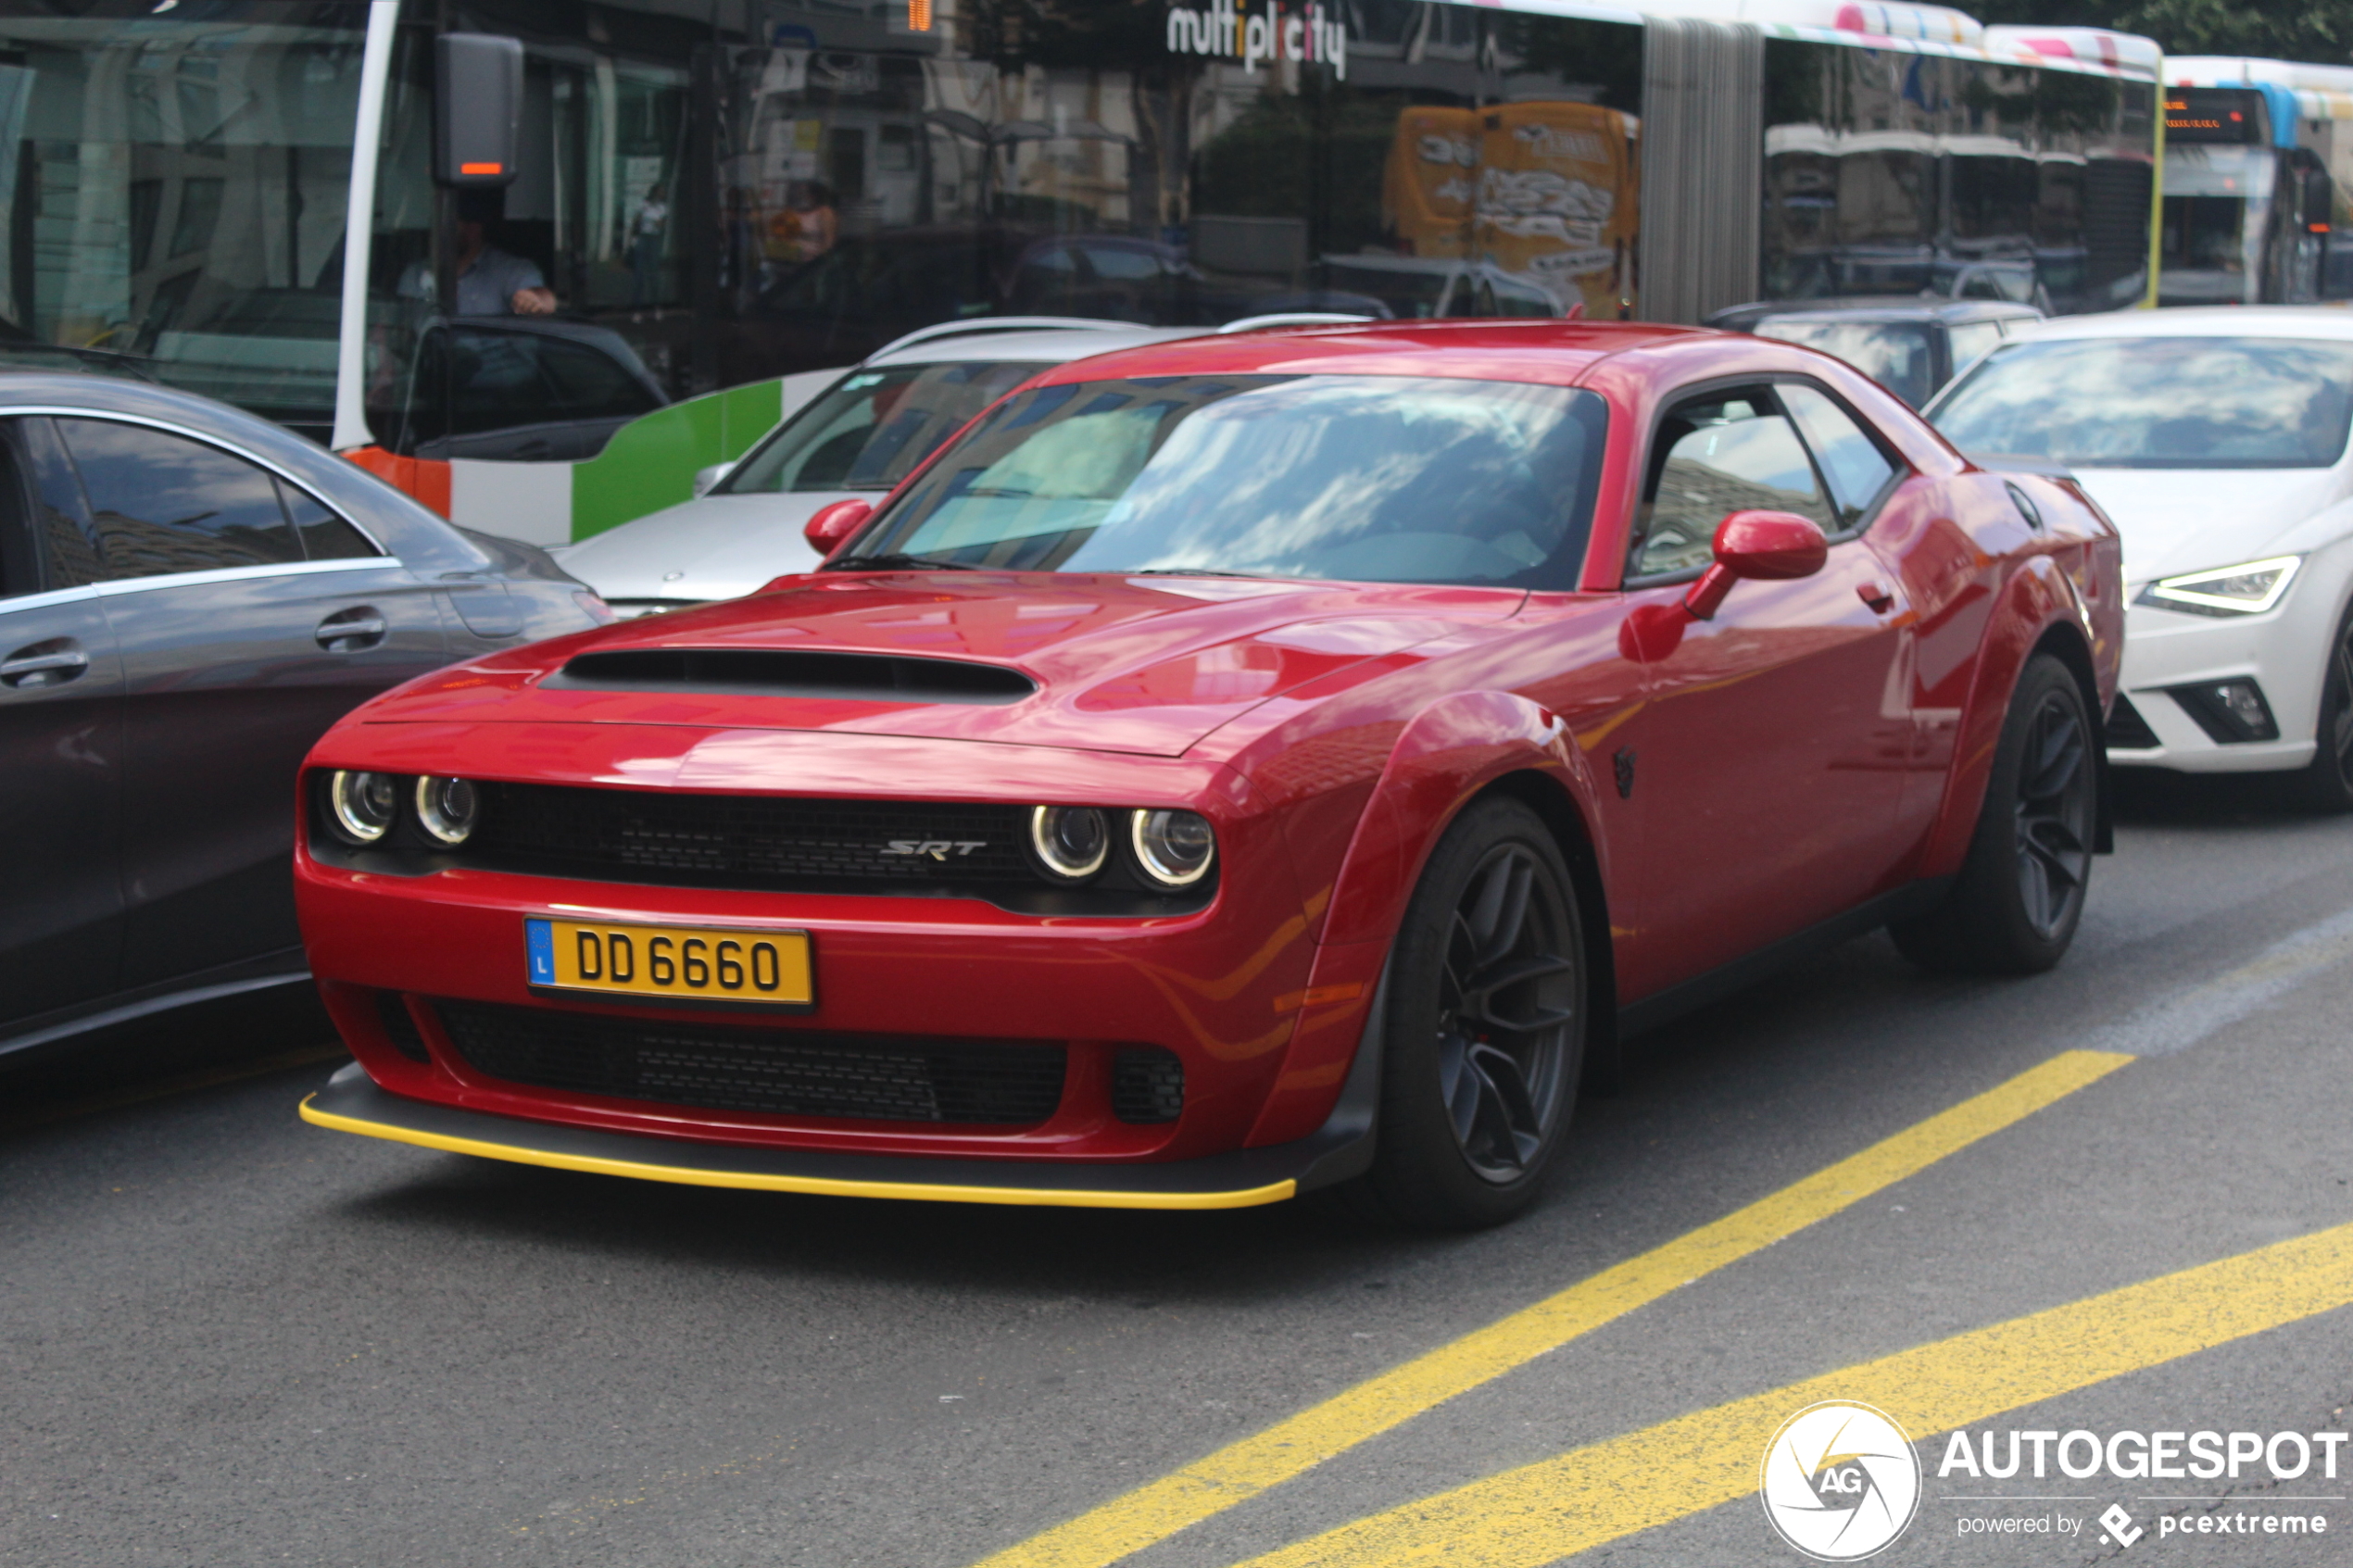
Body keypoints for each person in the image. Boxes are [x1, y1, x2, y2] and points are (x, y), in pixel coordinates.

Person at [398, 187, 557, 316]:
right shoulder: (415, 273)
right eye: (436, 224)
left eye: (448, 225)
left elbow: (543, 299)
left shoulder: (510, 270)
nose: (438, 232)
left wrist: (534, 301)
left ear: (473, 229)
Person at [630, 182, 669, 306]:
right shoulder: (644, 204)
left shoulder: (662, 207)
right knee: (639, 271)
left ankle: (655, 302)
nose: (662, 194)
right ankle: (637, 301)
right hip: (643, 237)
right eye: (660, 191)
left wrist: (653, 221)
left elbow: (661, 224)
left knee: (653, 271)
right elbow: (636, 220)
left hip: (654, 238)